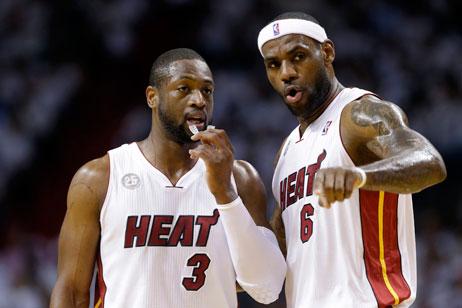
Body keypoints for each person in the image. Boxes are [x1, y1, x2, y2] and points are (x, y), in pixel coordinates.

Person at [50, 48, 286, 308]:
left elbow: (268, 287)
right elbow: (71, 292)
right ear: (153, 97)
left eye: (207, 91)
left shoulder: (240, 179)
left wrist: (225, 194)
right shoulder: (99, 178)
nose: (199, 100)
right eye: (184, 89)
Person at [257, 12, 447, 308]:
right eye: (274, 64)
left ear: (327, 52)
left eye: (298, 57)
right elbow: (278, 256)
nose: (287, 73)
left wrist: (359, 176)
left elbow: (429, 162)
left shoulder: (360, 112)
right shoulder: (286, 150)